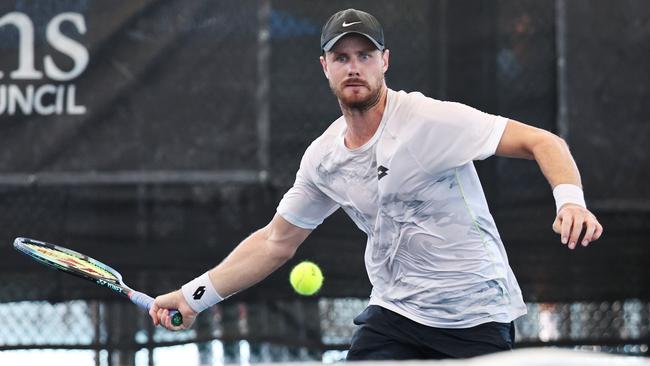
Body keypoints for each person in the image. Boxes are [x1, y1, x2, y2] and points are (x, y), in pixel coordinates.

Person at [149, 8, 603, 360]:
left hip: (477, 317)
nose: (354, 67)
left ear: (384, 61)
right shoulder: (324, 159)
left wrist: (571, 202)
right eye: (342, 57)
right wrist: (194, 297)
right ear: (324, 66)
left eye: (365, 55)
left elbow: (542, 141)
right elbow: (275, 242)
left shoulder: (430, 121)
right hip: (396, 314)